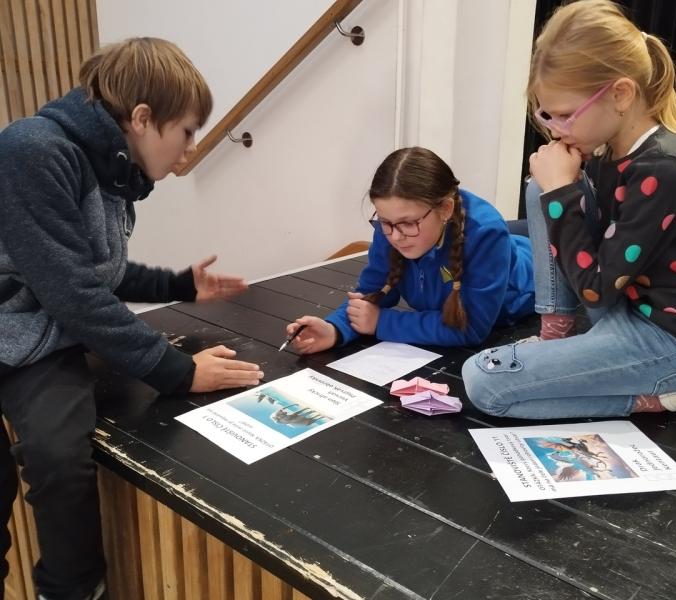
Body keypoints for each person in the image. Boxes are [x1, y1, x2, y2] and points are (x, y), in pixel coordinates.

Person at [0, 38, 264, 600]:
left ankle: (69, 591)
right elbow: (71, 291)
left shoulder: (116, 172)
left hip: (36, 340)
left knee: (59, 457)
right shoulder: (32, 149)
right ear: (142, 118)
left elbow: (92, 270)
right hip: (16, 330)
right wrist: (178, 371)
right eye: (187, 131)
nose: (190, 149)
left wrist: (176, 286)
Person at [461, 0, 676, 420]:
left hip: (675, 343)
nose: (555, 130)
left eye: (566, 115)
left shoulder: (666, 168)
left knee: (484, 382)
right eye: (547, 115)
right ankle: (556, 333)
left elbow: (595, 289)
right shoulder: (609, 148)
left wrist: (561, 192)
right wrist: (553, 192)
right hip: (624, 306)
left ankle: (654, 397)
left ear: (620, 94)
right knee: (541, 187)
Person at [286, 146, 535, 352]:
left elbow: (470, 328)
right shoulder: (393, 223)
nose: (395, 236)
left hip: (533, 279)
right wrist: (334, 329)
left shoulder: (486, 234)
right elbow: (372, 295)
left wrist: (382, 322)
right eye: (385, 222)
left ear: (445, 210)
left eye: (408, 223)